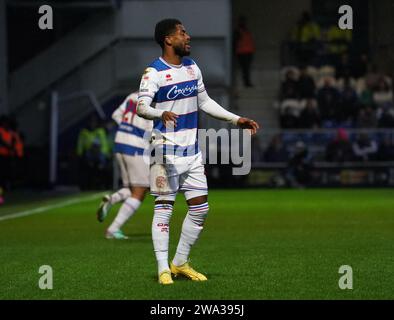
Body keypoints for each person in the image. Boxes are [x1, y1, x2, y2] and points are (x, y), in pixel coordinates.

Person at [136, 19, 259, 285]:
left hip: (191, 152)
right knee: (164, 208)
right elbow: (141, 107)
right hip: (163, 151)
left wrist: (236, 119)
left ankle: (179, 262)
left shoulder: (192, 67)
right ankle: (162, 269)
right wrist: (161, 112)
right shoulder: (153, 72)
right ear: (168, 40)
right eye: (182, 33)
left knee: (200, 209)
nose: (188, 36)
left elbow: (204, 101)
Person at [96, 92, 152, 239]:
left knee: (131, 187)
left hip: (120, 142)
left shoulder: (133, 96)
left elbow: (116, 114)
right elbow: (153, 132)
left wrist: (128, 128)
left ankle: (112, 199)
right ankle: (113, 229)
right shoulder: (155, 101)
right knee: (140, 191)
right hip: (135, 147)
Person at [234, 15, 256, 87]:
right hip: (242, 52)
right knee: (245, 69)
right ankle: (246, 83)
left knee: (246, 69)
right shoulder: (239, 31)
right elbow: (235, 42)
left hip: (247, 52)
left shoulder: (245, 30)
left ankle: (247, 82)